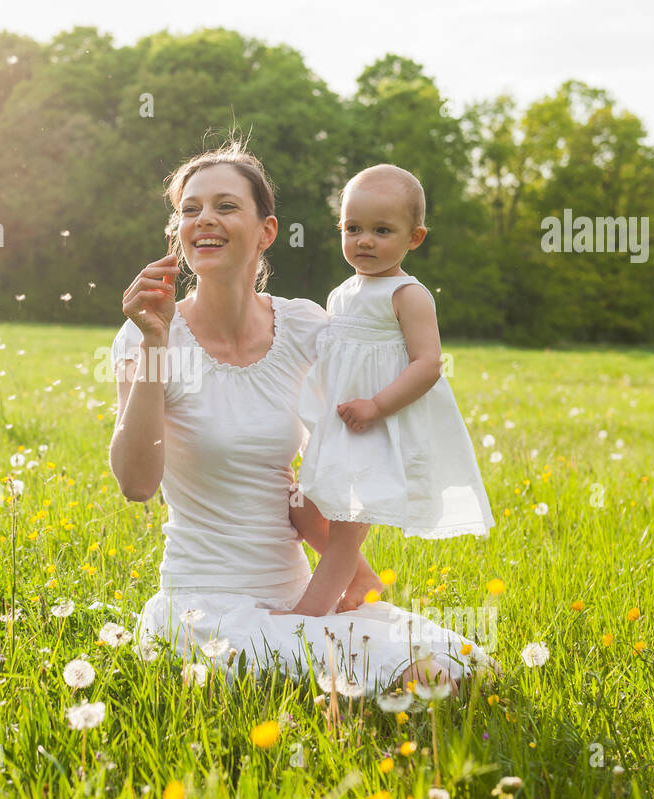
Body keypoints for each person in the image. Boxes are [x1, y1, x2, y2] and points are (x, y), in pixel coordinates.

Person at [108, 137, 497, 695]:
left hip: (301, 599)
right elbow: (137, 483)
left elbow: (347, 457)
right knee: (418, 683)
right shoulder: (149, 335)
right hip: (206, 611)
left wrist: (341, 568)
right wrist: (152, 342)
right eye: (189, 209)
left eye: (225, 205)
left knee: (466, 669)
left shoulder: (305, 329)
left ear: (266, 231)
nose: (204, 220)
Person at [285, 164, 496, 618]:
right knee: (302, 508)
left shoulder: (407, 295)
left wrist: (377, 406)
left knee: (345, 525)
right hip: (341, 424)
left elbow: (428, 365)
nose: (364, 241)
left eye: (382, 230)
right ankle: (363, 581)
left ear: (413, 238)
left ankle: (311, 611)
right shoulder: (342, 293)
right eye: (353, 228)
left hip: (377, 429)